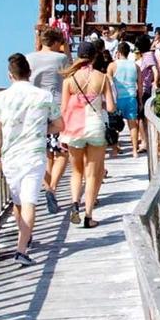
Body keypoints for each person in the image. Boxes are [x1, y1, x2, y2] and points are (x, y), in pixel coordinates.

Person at [0, 53, 61, 268]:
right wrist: (41, 129)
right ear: (29, 73)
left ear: (10, 75)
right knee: (29, 201)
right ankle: (21, 249)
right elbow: (59, 125)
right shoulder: (44, 96)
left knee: (18, 201)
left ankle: (24, 240)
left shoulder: (1, 98)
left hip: (10, 156)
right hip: (34, 154)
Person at [60, 41, 115, 228]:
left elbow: (64, 109)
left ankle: (75, 203)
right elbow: (111, 107)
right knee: (92, 175)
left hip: (74, 128)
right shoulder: (103, 77)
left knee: (76, 172)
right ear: (94, 56)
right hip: (95, 127)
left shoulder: (69, 80)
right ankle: (88, 216)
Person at [26, 26, 69, 214]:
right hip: (57, 107)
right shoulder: (61, 58)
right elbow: (69, 76)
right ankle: (52, 187)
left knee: (41, 154)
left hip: (35, 110)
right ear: (56, 42)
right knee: (62, 152)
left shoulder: (29, 58)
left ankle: (46, 186)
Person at [108, 41, 140, 157]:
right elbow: (139, 86)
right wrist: (140, 100)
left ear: (118, 52)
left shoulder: (112, 65)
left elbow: (109, 84)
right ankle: (135, 151)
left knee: (115, 125)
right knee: (133, 125)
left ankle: (115, 149)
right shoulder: (135, 66)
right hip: (131, 97)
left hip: (118, 98)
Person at [135, 33, 160, 147]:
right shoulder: (148, 54)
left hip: (145, 89)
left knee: (141, 117)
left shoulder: (148, 55)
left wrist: (155, 81)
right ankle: (147, 140)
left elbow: (155, 70)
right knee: (142, 117)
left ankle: (145, 142)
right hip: (144, 88)